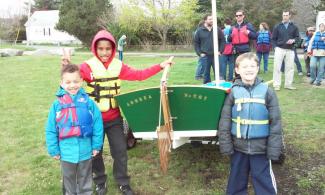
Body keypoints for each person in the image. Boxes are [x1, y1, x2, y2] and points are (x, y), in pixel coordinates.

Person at [62, 30, 173, 195]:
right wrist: (65, 65)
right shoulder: (86, 67)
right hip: (92, 120)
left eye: (108, 48)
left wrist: (160, 66)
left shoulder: (118, 66)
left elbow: (139, 75)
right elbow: (69, 82)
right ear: (95, 48)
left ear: (113, 49)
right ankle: (100, 181)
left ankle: (123, 181)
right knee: (95, 152)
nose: (105, 52)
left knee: (120, 151)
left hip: (114, 118)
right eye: (101, 48)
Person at [218, 52, 283, 195]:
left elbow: (276, 123)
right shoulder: (232, 92)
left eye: (253, 66)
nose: (249, 69)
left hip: (261, 149)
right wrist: (226, 144)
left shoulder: (268, 92)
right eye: (245, 66)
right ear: (237, 70)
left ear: (258, 68)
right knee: (235, 182)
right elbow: (225, 121)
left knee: (264, 182)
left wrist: (274, 149)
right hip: (238, 148)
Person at [45, 64, 104, 194]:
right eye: (68, 82)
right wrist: (53, 149)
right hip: (66, 153)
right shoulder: (57, 105)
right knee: (68, 181)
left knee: (85, 180)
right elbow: (50, 129)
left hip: (85, 151)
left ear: (82, 81)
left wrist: (96, 146)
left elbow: (98, 126)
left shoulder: (89, 103)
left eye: (76, 81)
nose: (72, 85)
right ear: (62, 83)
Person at [272, 10, 300, 91]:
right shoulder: (277, 26)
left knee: (290, 68)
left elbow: (298, 38)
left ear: (289, 16)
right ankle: (276, 84)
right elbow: (273, 39)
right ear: (282, 16)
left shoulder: (294, 27)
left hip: (290, 50)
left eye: (286, 15)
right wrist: (275, 48)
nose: (285, 17)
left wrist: (293, 40)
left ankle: (288, 84)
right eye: (284, 15)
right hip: (279, 49)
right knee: (277, 67)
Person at [194, 13, 225, 84]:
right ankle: (207, 90)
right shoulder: (199, 31)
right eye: (210, 19)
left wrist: (220, 51)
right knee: (206, 75)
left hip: (216, 56)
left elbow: (223, 41)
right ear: (205, 20)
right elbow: (196, 43)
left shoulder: (217, 29)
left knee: (219, 74)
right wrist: (199, 53)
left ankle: (219, 89)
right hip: (205, 56)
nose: (212, 20)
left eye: (213, 19)